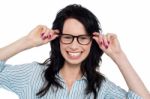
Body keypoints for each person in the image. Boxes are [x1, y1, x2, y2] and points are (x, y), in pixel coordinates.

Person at [0, 4, 149, 99]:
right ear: (58, 39)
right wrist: (27, 41)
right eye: (68, 37)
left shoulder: (102, 88)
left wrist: (118, 56)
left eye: (83, 38)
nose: (74, 46)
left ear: (92, 41)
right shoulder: (31, 75)